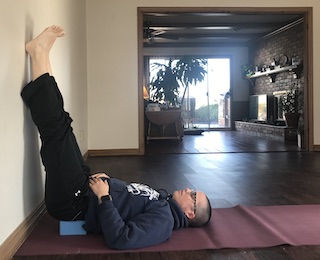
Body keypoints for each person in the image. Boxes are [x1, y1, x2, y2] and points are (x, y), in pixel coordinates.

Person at [21, 25, 212, 250]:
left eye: (193, 196)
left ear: (190, 213)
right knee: (64, 124)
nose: (188, 190)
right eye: (193, 190)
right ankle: (41, 56)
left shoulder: (164, 221)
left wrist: (104, 198)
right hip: (86, 189)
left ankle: (38, 53)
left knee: (57, 132)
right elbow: (129, 201)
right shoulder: (162, 201)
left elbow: (122, 238)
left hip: (74, 204)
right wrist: (109, 181)